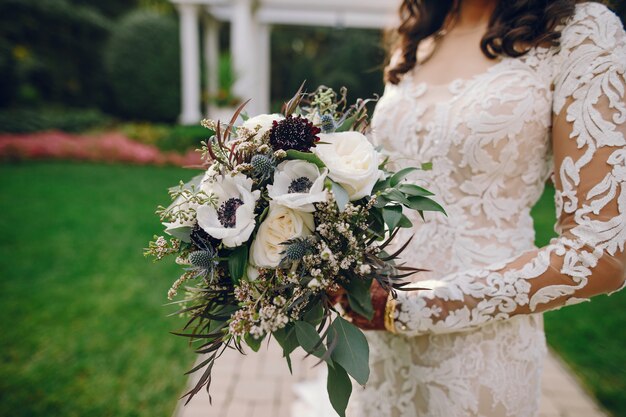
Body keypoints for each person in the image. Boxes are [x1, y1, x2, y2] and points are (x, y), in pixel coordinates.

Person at [321, 1, 626, 416]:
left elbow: (603, 252)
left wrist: (412, 307)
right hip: (377, 345)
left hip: (478, 356)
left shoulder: (582, 31)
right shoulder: (418, 28)